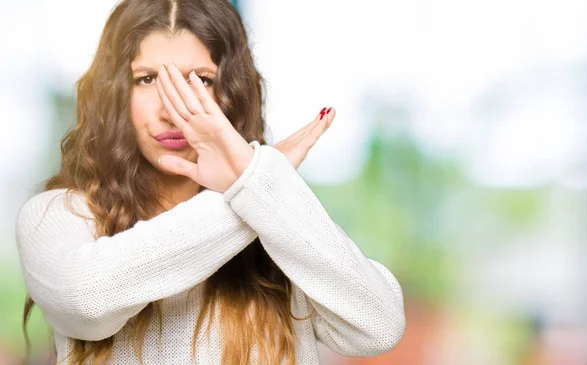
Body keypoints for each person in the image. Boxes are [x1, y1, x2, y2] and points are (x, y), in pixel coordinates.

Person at [15, 0, 406, 364]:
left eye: (200, 80)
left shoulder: (279, 219)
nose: (172, 108)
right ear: (115, 93)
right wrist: (249, 191)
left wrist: (256, 185)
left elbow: (377, 326)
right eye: (148, 79)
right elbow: (87, 302)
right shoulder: (58, 214)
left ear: (230, 94)